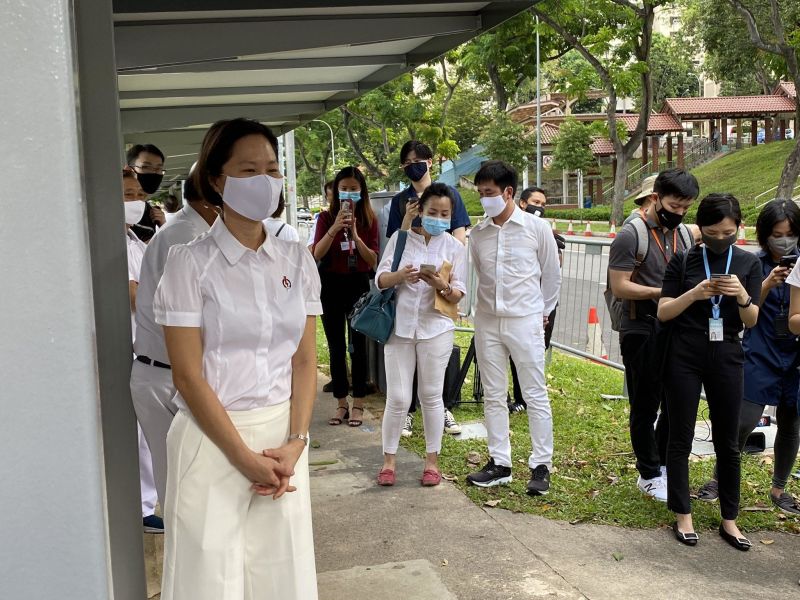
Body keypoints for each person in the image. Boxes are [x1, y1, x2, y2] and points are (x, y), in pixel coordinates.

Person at [154, 118, 321, 599]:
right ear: (215, 178)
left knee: (280, 576)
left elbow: (304, 362)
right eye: (248, 170)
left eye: (272, 169)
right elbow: (187, 376)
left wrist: (297, 440)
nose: (264, 181)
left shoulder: (296, 260)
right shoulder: (189, 263)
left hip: (282, 442)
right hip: (212, 440)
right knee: (209, 579)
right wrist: (243, 457)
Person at [658, 193, 761, 550]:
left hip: (728, 351)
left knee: (728, 441)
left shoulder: (748, 263)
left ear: (739, 228)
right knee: (680, 434)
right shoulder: (683, 260)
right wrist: (695, 293)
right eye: (713, 232)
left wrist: (743, 297)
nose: (721, 238)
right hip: (685, 351)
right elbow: (664, 311)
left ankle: (729, 519)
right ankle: (682, 513)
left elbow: (753, 319)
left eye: (728, 232)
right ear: (700, 229)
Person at [465, 161, 561, 495]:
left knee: (534, 393)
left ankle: (541, 466)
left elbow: (550, 275)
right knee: (494, 394)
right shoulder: (478, 235)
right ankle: (499, 463)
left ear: (509, 192)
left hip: (525, 320)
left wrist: (543, 312)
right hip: (488, 321)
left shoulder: (537, 229)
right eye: (480, 194)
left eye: (489, 193)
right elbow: (479, 274)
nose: (484, 199)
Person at [608, 168, 699, 502]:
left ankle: (660, 464)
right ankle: (647, 473)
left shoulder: (685, 235)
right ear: (655, 197)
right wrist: (659, 293)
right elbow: (619, 286)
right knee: (645, 405)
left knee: (674, 402)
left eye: (685, 209)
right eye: (674, 206)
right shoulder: (631, 235)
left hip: (676, 327)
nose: (679, 213)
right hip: (641, 328)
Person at [130, 174, 218, 511]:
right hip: (169, 376)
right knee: (185, 486)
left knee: (184, 483)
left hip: (165, 372)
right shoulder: (187, 237)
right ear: (214, 196)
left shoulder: (186, 230)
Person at [375, 183, 467, 487]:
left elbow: (458, 294)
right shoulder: (401, 240)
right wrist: (401, 276)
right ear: (420, 210)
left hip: (436, 329)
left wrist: (440, 284)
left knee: (430, 396)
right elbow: (381, 280)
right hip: (399, 329)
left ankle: (432, 461)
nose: (438, 218)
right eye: (432, 212)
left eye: (445, 214)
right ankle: (389, 461)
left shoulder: (455, 248)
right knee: (398, 398)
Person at [390, 141, 470, 437]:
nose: (415, 164)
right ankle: (408, 412)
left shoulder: (449, 195)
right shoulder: (401, 201)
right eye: (408, 161)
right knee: (405, 361)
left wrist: (445, 277)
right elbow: (396, 246)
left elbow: (459, 238)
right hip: (407, 302)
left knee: (435, 368)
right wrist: (409, 220)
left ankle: (441, 410)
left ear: (430, 162)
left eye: (419, 159)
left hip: (442, 289)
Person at [313, 167, 379, 428]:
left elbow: (373, 259)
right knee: (336, 347)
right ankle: (341, 403)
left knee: (358, 347)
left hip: (358, 285)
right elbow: (317, 253)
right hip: (330, 285)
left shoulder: (369, 220)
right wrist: (336, 228)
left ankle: (359, 403)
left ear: (362, 191)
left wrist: (355, 235)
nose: (349, 193)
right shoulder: (324, 218)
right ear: (336, 191)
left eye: (354, 188)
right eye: (344, 188)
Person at [122, 167, 162, 534]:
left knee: (146, 437)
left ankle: (147, 502)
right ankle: (144, 507)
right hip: (132, 348)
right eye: (127, 195)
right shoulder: (118, 244)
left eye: (138, 195)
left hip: (141, 347)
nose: (135, 202)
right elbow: (135, 295)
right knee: (140, 438)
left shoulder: (136, 239)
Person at [508, 186, 562, 413]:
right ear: (522, 203)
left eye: (542, 204)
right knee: (515, 352)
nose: (539, 207)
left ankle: (533, 397)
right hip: (519, 304)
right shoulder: (511, 231)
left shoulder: (549, 233)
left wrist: (547, 309)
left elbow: (554, 271)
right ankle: (520, 398)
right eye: (535, 202)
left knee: (538, 350)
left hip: (543, 304)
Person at [127, 143, 167, 242]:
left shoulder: (148, 211)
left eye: (158, 168)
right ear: (129, 169)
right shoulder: (116, 210)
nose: (153, 173)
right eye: (145, 167)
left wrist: (163, 225)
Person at [308, 180, 334, 250]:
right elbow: (311, 249)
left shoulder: (359, 217)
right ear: (327, 198)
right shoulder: (323, 219)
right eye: (334, 199)